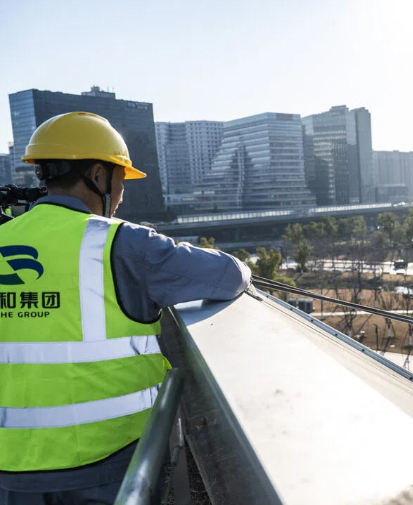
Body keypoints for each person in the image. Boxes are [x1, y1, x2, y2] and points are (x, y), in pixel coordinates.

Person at [0, 112, 251, 504]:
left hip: (9, 473)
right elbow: (227, 275)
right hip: (105, 467)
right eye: (121, 180)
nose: (121, 195)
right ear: (99, 176)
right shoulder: (121, 244)